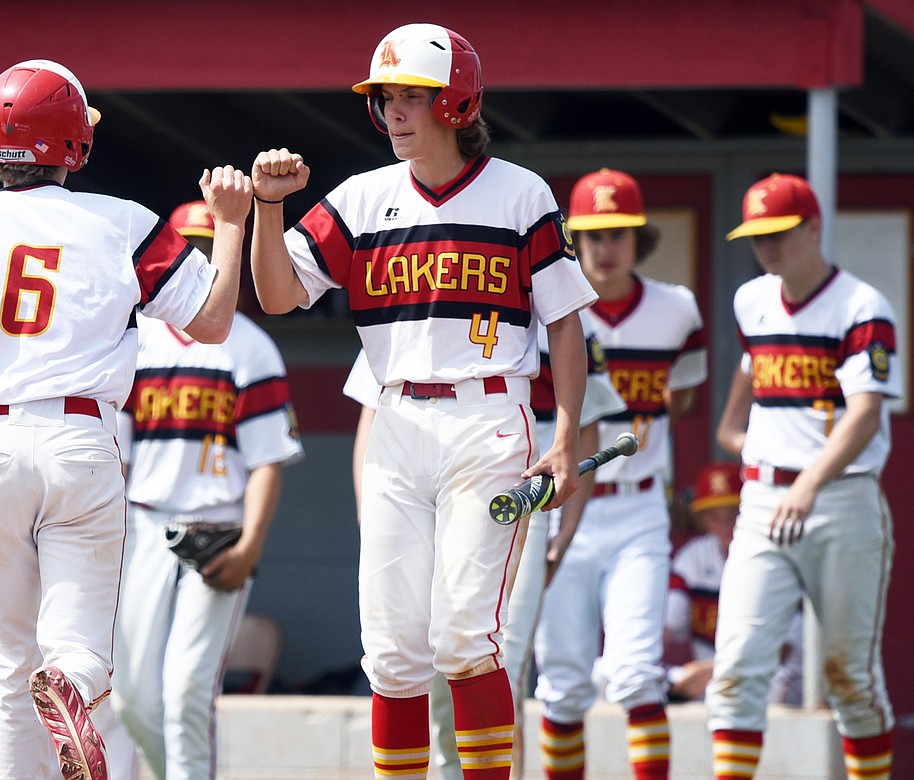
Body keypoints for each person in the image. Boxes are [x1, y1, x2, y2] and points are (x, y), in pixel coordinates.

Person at [0, 59, 252, 780]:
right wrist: (229, 224)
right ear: (75, 145)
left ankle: (50, 694)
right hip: (81, 439)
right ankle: (71, 676)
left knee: (9, 662)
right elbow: (215, 321)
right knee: (79, 645)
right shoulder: (126, 221)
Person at [251, 24, 598, 779]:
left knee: (465, 636)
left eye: (413, 97)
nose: (396, 113)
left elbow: (565, 326)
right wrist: (269, 209)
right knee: (393, 649)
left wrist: (566, 434)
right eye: (387, 99)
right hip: (395, 421)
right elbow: (277, 295)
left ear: (457, 101)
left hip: (489, 417)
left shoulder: (520, 192)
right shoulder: (361, 197)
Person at [344, 312, 626, 780]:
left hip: (512, 485)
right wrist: (371, 520)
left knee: (493, 653)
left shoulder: (551, 302)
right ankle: (446, 771)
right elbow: (370, 417)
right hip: (410, 486)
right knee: (418, 657)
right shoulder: (406, 285)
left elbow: (586, 426)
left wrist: (562, 539)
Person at [707, 173, 899, 780]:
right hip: (766, 499)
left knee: (851, 680)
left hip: (839, 498)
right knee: (735, 670)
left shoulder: (862, 304)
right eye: (757, 236)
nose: (767, 248)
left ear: (813, 228)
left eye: (779, 234)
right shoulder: (752, 300)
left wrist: (807, 480)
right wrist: (754, 449)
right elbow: (737, 408)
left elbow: (866, 416)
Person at [111, 200, 304, 780]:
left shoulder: (249, 345)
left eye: (206, 248)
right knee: (134, 699)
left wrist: (249, 548)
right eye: (187, 248)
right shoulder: (136, 338)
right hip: (144, 521)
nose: (197, 261)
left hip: (218, 526)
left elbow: (269, 460)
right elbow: (115, 456)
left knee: (186, 692)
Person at [532, 168, 707, 780]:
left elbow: (680, 398)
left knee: (635, 674)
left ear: (640, 238)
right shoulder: (544, 314)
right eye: (594, 234)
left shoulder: (677, 310)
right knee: (563, 682)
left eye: (619, 233)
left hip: (636, 509)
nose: (606, 248)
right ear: (573, 239)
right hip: (560, 508)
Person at [664, 462, 803, 706]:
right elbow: (666, 629)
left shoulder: (775, 552)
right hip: (707, 682)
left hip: (773, 679)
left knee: (767, 689)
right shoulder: (694, 558)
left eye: (732, 514)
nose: (725, 525)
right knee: (616, 678)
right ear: (702, 520)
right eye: (714, 517)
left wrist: (715, 670)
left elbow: (783, 649)